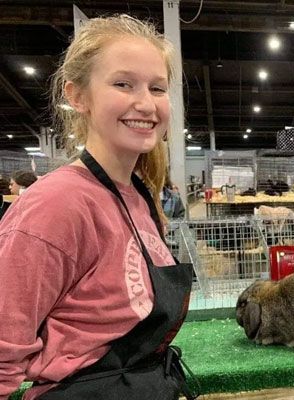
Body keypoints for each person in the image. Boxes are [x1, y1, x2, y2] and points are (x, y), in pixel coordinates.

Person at [0, 15, 196, 400]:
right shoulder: (56, 205)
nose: (145, 103)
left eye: (157, 88)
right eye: (123, 84)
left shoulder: (138, 197)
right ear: (78, 96)